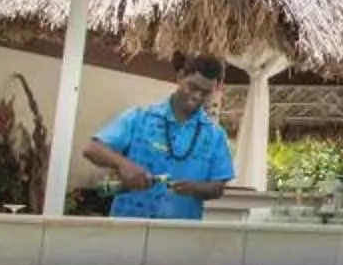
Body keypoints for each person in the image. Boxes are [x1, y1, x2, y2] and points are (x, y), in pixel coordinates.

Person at [84, 58, 237, 220]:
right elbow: (92, 149)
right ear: (180, 77)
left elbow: (217, 188)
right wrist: (124, 165)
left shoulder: (215, 136)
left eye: (206, 92)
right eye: (193, 87)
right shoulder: (140, 117)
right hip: (128, 227)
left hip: (178, 234)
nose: (197, 96)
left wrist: (195, 188)